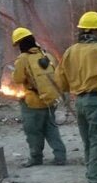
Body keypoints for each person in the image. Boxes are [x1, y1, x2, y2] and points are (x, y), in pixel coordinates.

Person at [55, 11, 97, 183]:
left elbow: (61, 80)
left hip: (80, 102)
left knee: (89, 141)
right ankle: (96, 180)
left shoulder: (70, 51)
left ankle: (95, 173)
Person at [11, 27, 67, 167]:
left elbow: (18, 79)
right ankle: (60, 156)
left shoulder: (23, 58)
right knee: (51, 129)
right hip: (50, 101)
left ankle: (36, 158)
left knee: (33, 132)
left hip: (32, 103)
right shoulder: (46, 55)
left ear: (20, 44)